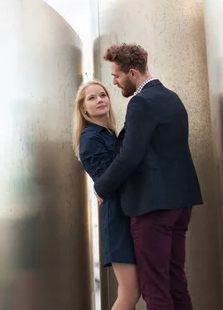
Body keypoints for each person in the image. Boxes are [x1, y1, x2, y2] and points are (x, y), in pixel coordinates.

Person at [93, 43, 203, 310]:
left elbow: (131, 155)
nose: (115, 83)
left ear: (132, 73)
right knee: (176, 282)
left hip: (152, 206)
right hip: (180, 202)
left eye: (117, 76)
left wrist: (101, 187)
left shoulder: (141, 102)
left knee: (155, 288)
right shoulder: (171, 97)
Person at [73, 81, 141, 310]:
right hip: (116, 220)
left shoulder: (110, 133)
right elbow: (108, 180)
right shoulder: (90, 138)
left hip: (127, 213)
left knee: (133, 291)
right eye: (92, 98)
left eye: (103, 95)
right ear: (83, 108)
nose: (100, 100)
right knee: (129, 293)